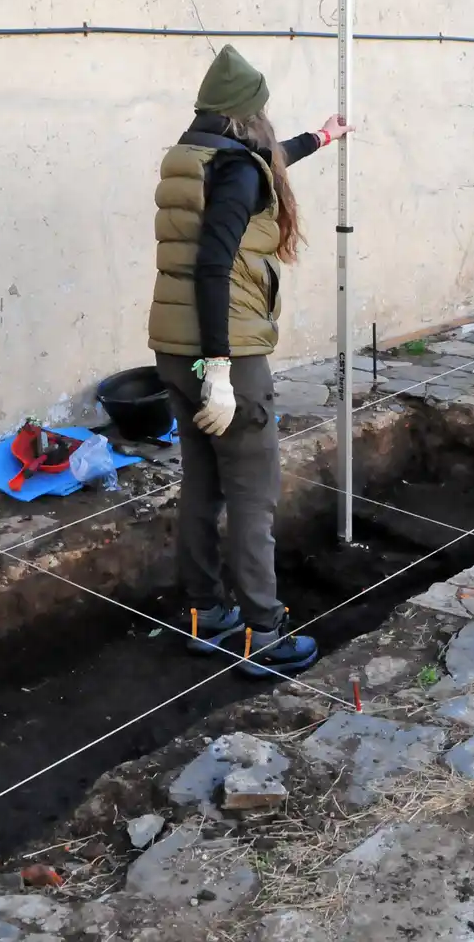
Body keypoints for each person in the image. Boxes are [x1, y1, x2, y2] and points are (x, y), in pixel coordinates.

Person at [148, 45, 351, 677]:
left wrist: (321, 137)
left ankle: (208, 617)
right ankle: (263, 634)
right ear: (246, 117)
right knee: (253, 496)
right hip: (225, 353)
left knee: (203, 486)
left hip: (172, 349)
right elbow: (215, 263)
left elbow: (269, 159)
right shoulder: (236, 171)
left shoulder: (192, 159)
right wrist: (220, 370)